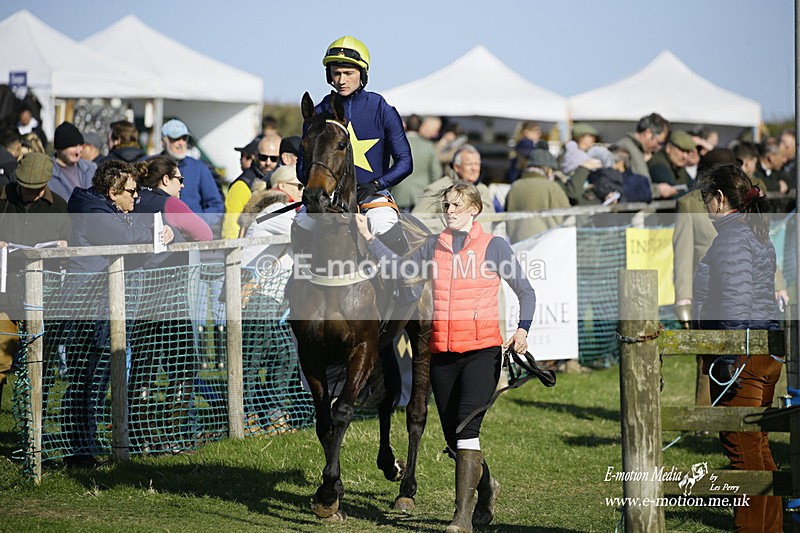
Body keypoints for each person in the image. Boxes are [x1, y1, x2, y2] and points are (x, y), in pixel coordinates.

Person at [356, 181, 535, 532]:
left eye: (456, 205)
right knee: (454, 438)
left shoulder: (493, 246)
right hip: (443, 353)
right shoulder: (433, 246)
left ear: (474, 210)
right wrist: (369, 239)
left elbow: (525, 291)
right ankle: (487, 489)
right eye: (446, 206)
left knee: (467, 429)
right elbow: (399, 269)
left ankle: (462, 519)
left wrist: (522, 330)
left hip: (482, 351)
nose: (449, 211)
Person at [63, 159, 174, 467]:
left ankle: (85, 446)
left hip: (101, 303)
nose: (136, 197)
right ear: (113, 192)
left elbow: (132, 232)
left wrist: (161, 233)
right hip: (86, 305)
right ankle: (78, 451)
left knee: (95, 381)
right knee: (87, 381)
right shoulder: (93, 211)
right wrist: (153, 232)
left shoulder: (107, 209)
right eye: (131, 191)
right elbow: (124, 238)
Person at [693, 163, 783, 532]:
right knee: (756, 447)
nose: (704, 207)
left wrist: (728, 359)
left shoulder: (733, 238)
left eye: (705, 199)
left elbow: (734, 302)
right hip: (759, 350)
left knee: (741, 448)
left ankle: (752, 529)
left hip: (742, 354)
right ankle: (770, 526)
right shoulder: (752, 232)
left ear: (718, 197)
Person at [295, 35, 412, 254]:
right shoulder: (318, 113)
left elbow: (405, 162)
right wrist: (318, 189)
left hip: (373, 197)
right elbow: (302, 167)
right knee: (302, 223)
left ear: (362, 74)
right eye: (336, 73)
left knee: (382, 225)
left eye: (348, 73)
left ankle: (405, 284)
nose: (341, 80)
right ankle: (297, 282)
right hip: (328, 199)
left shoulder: (382, 109)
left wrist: (376, 185)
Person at [0, 153, 71, 400]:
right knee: (0, 362)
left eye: (36, 189)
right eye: (25, 188)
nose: (30, 193)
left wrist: (65, 248)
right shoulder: (3, 199)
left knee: (39, 365)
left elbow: (72, 250)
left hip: (43, 297)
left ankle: (33, 427)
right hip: (6, 294)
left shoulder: (60, 207)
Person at [159, 119, 224, 233]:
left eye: (184, 138)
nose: (181, 143)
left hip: (192, 239)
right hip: (161, 236)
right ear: (163, 141)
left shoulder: (199, 167)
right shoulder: (151, 165)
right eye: (175, 139)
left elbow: (216, 205)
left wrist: (197, 224)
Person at [413, 144, 494, 221]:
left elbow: (495, 221)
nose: (474, 168)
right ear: (457, 167)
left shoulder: (483, 189)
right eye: (469, 164)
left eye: (476, 164)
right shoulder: (437, 188)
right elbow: (417, 221)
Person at [505, 148, 570, 243]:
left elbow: (507, 217)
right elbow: (566, 216)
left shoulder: (515, 186)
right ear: (547, 169)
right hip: (546, 244)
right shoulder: (552, 187)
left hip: (519, 244)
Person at [221, 136, 273, 239]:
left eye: (274, 158)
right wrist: (233, 252)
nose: (242, 160)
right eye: (243, 156)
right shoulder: (242, 185)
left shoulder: (273, 180)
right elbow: (231, 228)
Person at [615, 113, 675, 199]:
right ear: (648, 133)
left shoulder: (636, 150)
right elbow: (623, 187)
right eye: (659, 142)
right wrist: (658, 190)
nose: (659, 147)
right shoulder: (624, 149)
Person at [391, 114, 442, 211]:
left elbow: (388, 168)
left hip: (399, 194)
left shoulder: (395, 143)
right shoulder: (429, 146)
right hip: (421, 194)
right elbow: (436, 174)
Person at [49, 122, 97, 203]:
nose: (78, 151)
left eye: (80, 145)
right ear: (60, 147)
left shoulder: (91, 168)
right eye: (74, 146)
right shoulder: (48, 174)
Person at [647, 130, 696, 196]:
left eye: (687, 152)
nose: (685, 156)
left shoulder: (677, 165)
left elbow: (693, 186)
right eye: (681, 150)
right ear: (668, 148)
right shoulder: (659, 165)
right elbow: (673, 193)